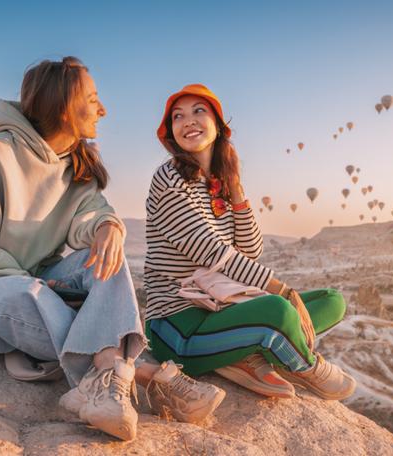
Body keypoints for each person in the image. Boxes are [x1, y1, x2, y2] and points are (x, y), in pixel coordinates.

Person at [0, 57, 224, 442]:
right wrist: (32, 281)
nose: (103, 109)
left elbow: (92, 213)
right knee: (27, 294)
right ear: (62, 106)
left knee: (103, 261)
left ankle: (107, 377)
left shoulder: (74, 166)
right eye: (93, 99)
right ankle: (144, 374)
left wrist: (108, 227)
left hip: (30, 283)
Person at [143, 83, 356, 400]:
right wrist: (283, 290)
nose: (188, 121)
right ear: (171, 133)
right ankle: (307, 367)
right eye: (178, 116)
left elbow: (251, 250)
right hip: (178, 325)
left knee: (331, 300)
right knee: (277, 307)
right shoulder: (169, 177)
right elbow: (209, 251)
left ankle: (245, 355)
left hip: (223, 309)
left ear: (218, 124)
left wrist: (237, 191)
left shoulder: (219, 184)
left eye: (198, 111)